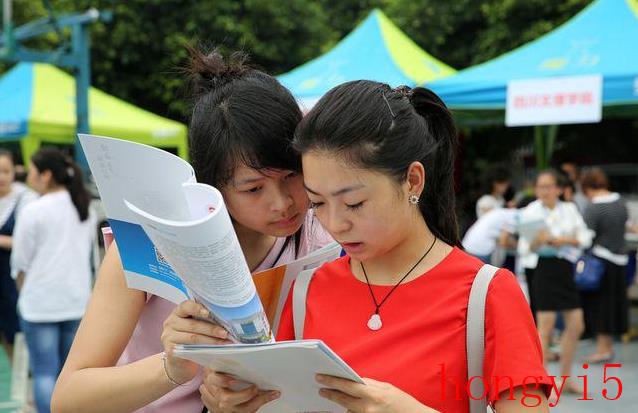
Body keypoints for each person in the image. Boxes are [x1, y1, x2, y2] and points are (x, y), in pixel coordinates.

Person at [200, 82, 551, 412]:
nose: (336, 224)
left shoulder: (487, 294)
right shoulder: (307, 290)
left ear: (412, 180)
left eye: (353, 203)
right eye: (317, 203)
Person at [51, 48, 332, 413]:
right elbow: (70, 397)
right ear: (213, 185)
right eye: (253, 188)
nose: (282, 203)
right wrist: (171, 367)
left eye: (291, 175)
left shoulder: (325, 232)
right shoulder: (147, 241)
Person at [11, 147, 96, 413]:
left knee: (45, 373)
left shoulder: (34, 210)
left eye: (33, 170)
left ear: (46, 175)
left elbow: (20, 262)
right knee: (68, 374)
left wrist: (24, 291)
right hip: (76, 301)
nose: (28, 175)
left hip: (40, 303)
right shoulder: (85, 208)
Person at [517, 170, 592, 395]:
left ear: (559, 188)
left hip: (565, 267)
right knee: (545, 327)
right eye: (541, 186)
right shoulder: (530, 211)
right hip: (542, 267)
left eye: (549, 186)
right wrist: (538, 242)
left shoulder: (569, 209)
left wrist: (565, 240)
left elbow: (584, 237)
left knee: (576, 324)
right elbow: (525, 248)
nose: (545, 191)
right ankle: (542, 381)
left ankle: (566, 378)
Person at [580, 168, 629, 363]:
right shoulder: (620, 202)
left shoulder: (594, 208)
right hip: (621, 259)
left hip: (600, 261)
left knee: (600, 305)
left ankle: (602, 348)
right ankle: (608, 347)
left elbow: (587, 237)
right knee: (615, 303)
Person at [0, 150, 36, 360]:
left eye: (6, 171)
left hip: (12, 281)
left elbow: (29, 243)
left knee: (16, 333)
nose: (1, 177)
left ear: (15, 171)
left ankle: (20, 383)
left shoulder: (26, 199)